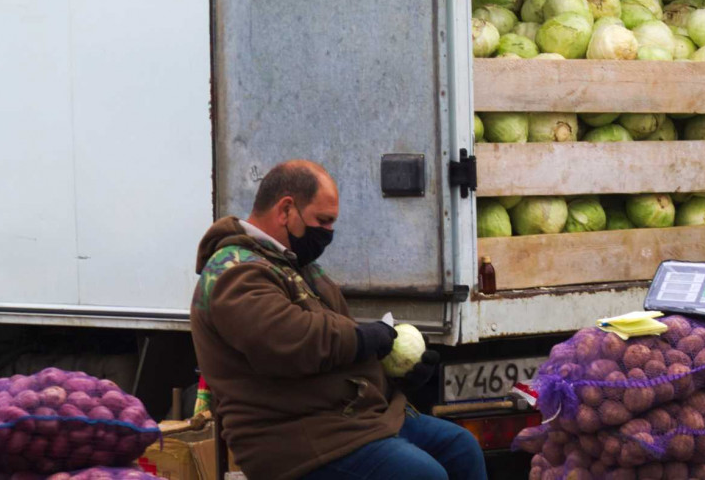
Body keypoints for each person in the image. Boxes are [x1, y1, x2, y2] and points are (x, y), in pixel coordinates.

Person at [190, 160, 486, 480]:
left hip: (349, 420)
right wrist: (364, 338)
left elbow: (337, 352)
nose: (328, 233)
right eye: (323, 220)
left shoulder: (297, 266)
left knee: (461, 448)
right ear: (286, 209)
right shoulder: (233, 271)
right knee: (422, 476)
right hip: (294, 439)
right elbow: (290, 341)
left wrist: (398, 375)